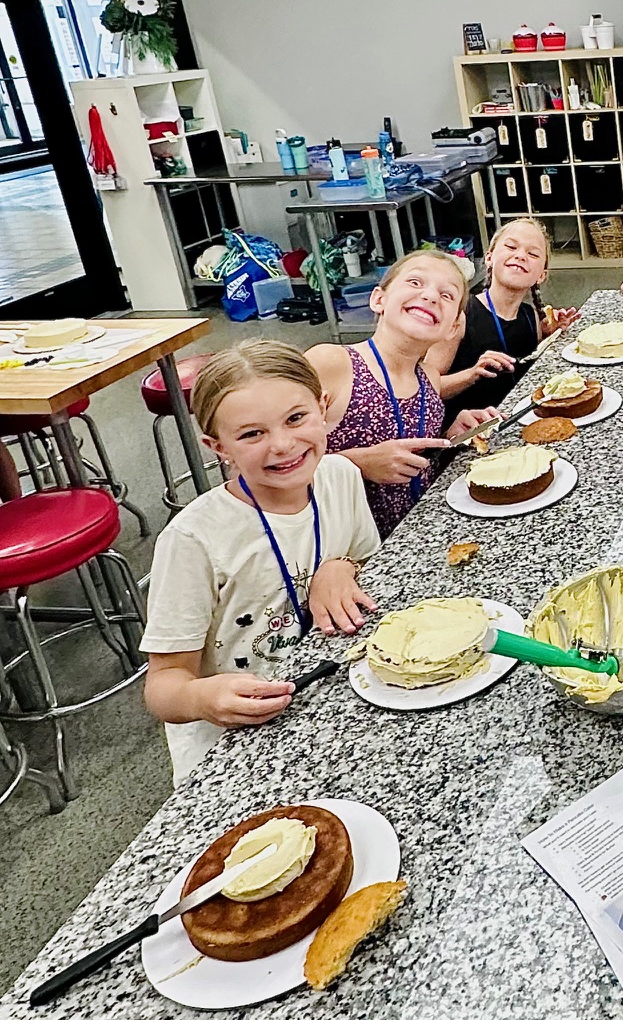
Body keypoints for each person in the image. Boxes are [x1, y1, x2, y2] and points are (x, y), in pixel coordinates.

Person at [141, 343, 382, 784]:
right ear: (217, 446)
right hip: (237, 741)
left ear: (323, 407)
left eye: (296, 418)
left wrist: (341, 565)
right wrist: (201, 699)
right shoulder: (193, 539)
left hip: (327, 693)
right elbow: (163, 685)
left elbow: (366, 559)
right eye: (252, 434)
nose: (283, 445)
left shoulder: (340, 476)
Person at [306, 249, 487, 538]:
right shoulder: (332, 364)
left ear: (452, 327)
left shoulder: (428, 379)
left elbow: (416, 463)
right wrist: (357, 464)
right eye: (415, 282)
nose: (429, 296)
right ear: (378, 299)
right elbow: (262, 465)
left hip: (417, 539)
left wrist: (450, 438)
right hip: (344, 550)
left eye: (447, 295)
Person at [429, 218, 579, 428]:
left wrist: (548, 335)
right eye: (511, 246)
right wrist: (471, 374)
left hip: (518, 423)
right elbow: (424, 389)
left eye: (533, 254)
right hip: (470, 435)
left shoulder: (531, 316)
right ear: (489, 258)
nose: (520, 256)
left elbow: (524, 363)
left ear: (541, 275)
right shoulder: (459, 316)